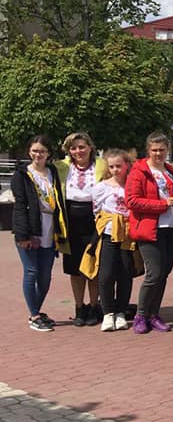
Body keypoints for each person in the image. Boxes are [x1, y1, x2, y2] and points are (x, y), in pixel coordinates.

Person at [126, 132, 173, 334]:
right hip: (150, 229)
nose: (158, 153)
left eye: (162, 150)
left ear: (168, 150)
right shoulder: (139, 171)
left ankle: (153, 314)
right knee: (154, 274)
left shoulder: (172, 172)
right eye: (154, 150)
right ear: (148, 150)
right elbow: (132, 201)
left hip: (172, 228)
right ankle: (141, 315)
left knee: (164, 274)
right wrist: (162, 204)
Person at [12, 135, 68, 331]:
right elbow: (20, 206)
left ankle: (36, 311)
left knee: (45, 276)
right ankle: (35, 315)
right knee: (31, 271)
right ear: (29, 152)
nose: (38, 154)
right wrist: (23, 235)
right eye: (35, 150)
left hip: (50, 230)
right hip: (30, 229)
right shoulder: (22, 174)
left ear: (48, 153)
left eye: (42, 151)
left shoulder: (53, 172)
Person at [56, 131, 109, 326]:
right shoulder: (61, 167)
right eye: (73, 148)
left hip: (94, 220)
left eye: (82, 147)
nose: (78, 151)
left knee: (93, 266)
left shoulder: (102, 165)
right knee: (75, 268)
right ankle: (79, 307)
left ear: (90, 147)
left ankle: (94, 306)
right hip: (71, 222)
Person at [88, 149, 137, 332]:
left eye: (119, 166)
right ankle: (108, 312)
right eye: (112, 166)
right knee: (106, 274)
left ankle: (121, 311)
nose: (116, 170)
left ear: (127, 165)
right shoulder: (101, 187)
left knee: (125, 273)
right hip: (109, 234)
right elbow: (96, 210)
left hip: (128, 235)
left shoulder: (132, 185)